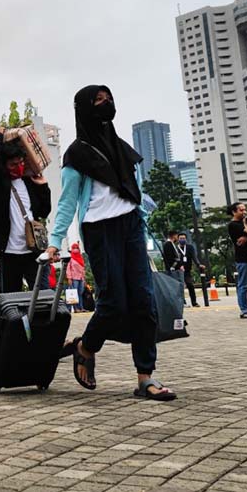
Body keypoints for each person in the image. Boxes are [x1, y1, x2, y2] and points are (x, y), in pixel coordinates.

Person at [47, 85, 176, 401]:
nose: (106, 104)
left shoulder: (122, 148)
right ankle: (85, 347)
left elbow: (134, 189)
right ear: (84, 108)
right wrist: (54, 241)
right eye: (98, 100)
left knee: (144, 302)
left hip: (131, 225)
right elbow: (67, 201)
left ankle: (146, 377)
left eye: (109, 99)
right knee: (113, 304)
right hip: (99, 229)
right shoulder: (77, 155)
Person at [0, 132, 52, 293]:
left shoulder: (30, 181)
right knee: (11, 298)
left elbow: (45, 211)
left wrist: (43, 187)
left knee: (42, 295)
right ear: (4, 165)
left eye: (21, 162)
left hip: (33, 250)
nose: (18, 167)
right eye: (13, 164)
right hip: (9, 253)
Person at [174, 232, 204, 308]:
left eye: (184, 238)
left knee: (190, 285)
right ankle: (183, 303)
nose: (182, 240)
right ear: (178, 239)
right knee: (180, 287)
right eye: (181, 238)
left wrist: (198, 264)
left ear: (186, 239)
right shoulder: (175, 248)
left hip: (187, 270)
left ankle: (194, 302)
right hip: (178, 270)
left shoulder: (190, 247)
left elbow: (194, 257)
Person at [66, 242, 86, 312]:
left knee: (80, 293)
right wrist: (69, 278)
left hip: (81, 278)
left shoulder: (81, 258)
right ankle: (76, 308)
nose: (75, 249)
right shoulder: (70, 258)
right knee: (74, 293)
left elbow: (83, 269)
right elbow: (68, 269)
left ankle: (81, 307)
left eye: (77, 248)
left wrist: (84, 279)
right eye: (74, 248)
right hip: (74, 278)